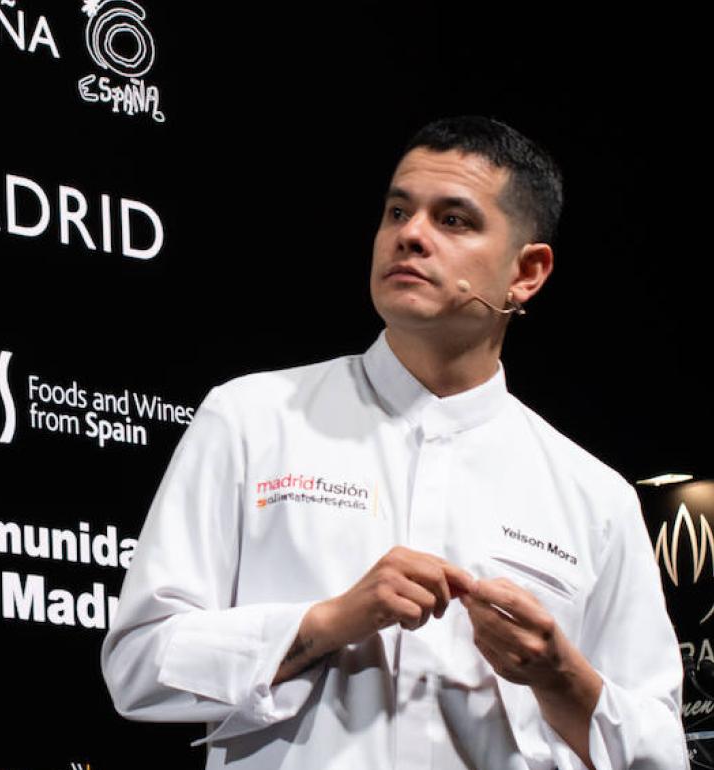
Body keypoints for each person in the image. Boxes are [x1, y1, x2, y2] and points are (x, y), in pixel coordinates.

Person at [100, 116, 688, 769]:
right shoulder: (251, 417)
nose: (410, 235)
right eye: (397, 211)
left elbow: (662, 753)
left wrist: (559, 676)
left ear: (527, 273)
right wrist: (325, 623)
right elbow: (138, 665)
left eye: (454, 220)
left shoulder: (594, 496)